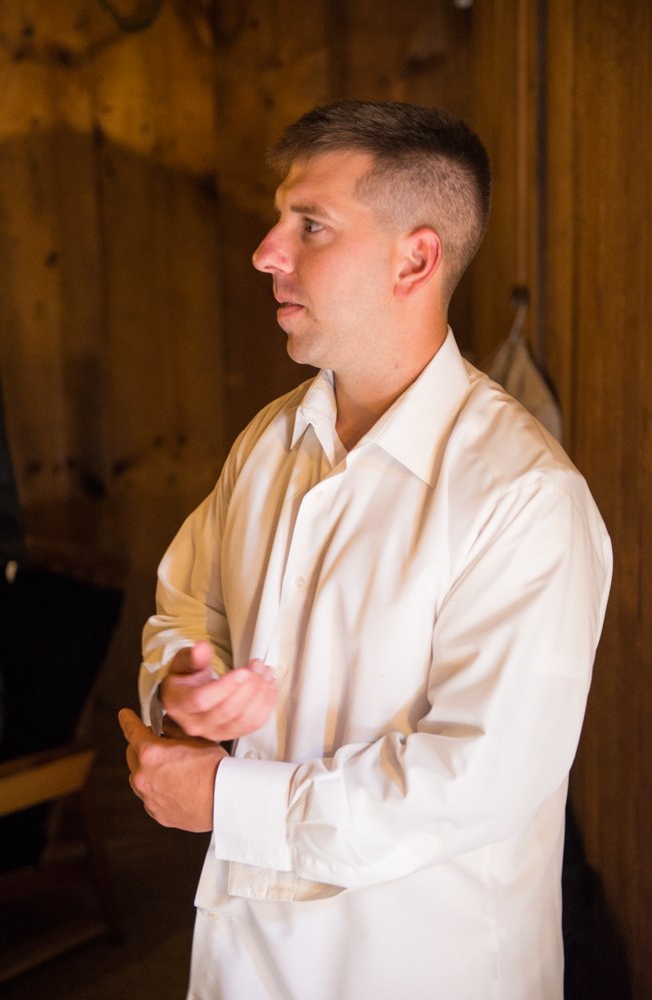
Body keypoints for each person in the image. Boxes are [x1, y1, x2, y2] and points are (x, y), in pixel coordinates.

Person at [119, 101, 612, 1000]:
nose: (268, 252)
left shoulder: (525, 500)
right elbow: (187, 602)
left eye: (309, 225)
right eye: (280, 222)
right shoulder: (267, 442)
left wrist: (227, 802)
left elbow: (473, 782)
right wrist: (186, 687)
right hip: (238, 964)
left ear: (414, 258)